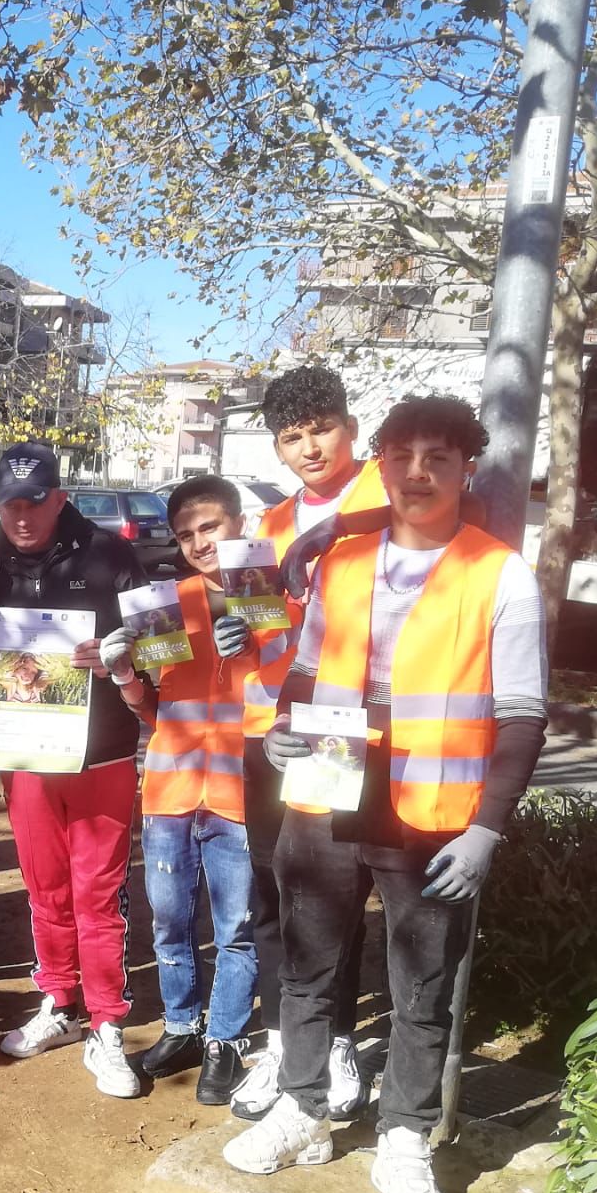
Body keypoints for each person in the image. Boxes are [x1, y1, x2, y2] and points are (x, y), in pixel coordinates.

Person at [224, 396, 547, 1193]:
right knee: (306, 967)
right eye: (403, 455)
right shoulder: (344, 562)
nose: (419, 472)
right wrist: (283, 736)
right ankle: (302, 1109)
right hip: (327, 796)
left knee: (422, 988)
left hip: (432, 816)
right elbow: (302, 671)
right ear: (384, 463)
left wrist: (487, 828)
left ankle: (404, 1137)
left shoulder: (499, 572)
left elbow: (521, 713)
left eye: (439, 457)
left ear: (466, 469)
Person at [0, 444, 150, 1098]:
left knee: (96, 897)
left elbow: (161, 646)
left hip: (101, 753)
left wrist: (124, 659)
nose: (24, 514)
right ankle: (62, 1005)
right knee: (45, 890)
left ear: (60, 496)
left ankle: (107, 1025)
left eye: (36, 500)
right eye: (12, 502)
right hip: (26, 756)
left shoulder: (112, 555)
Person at [233, 365, 383, 1120]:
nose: (310, 448)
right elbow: (268, 626)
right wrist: (243, 628)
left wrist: (339, 530)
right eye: (292, 438)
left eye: (321, 428)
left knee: (337, 893)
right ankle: (280, 1040)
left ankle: (337, 1043)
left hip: (352, 726)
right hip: (277, 728)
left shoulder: (389, 494)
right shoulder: (268, 526)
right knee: (274, 892)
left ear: (351, 425)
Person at [130, 477, 263, 1105]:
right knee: (168, 919)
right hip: (171, 787)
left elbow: (298, 682)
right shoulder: (168, 601)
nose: (198, 543)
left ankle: (226, 1040)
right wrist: (126, 673)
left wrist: (263, 640)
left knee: (236, 926)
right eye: (186, 535)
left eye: (209, 527)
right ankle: (182, 1026)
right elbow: (151, 708)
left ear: (238, 522)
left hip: (241, 791)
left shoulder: (274, 595)